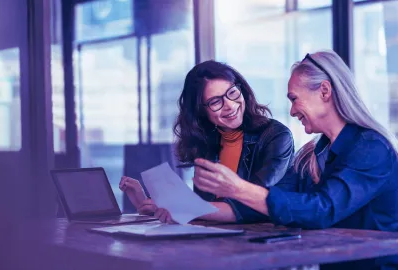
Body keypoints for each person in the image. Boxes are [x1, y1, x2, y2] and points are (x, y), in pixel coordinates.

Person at [192, 50, 398, 269]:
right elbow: (265, 205)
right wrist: (188, 211)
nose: (292, 111)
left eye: (294, 99)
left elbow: (323, 210)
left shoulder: (372, 148)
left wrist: (238, 188)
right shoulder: (310, 155)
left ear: (324, 91)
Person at [120, 60, 295, 223]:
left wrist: (183, 208)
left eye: (232, 93)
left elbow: (255, 203)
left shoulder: (275, 136)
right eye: (215, 102)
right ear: (201, 111)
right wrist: (147, 203)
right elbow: (203, 207)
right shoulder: (206, 142)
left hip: (260, 241)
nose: (230, 105)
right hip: (217, 238)